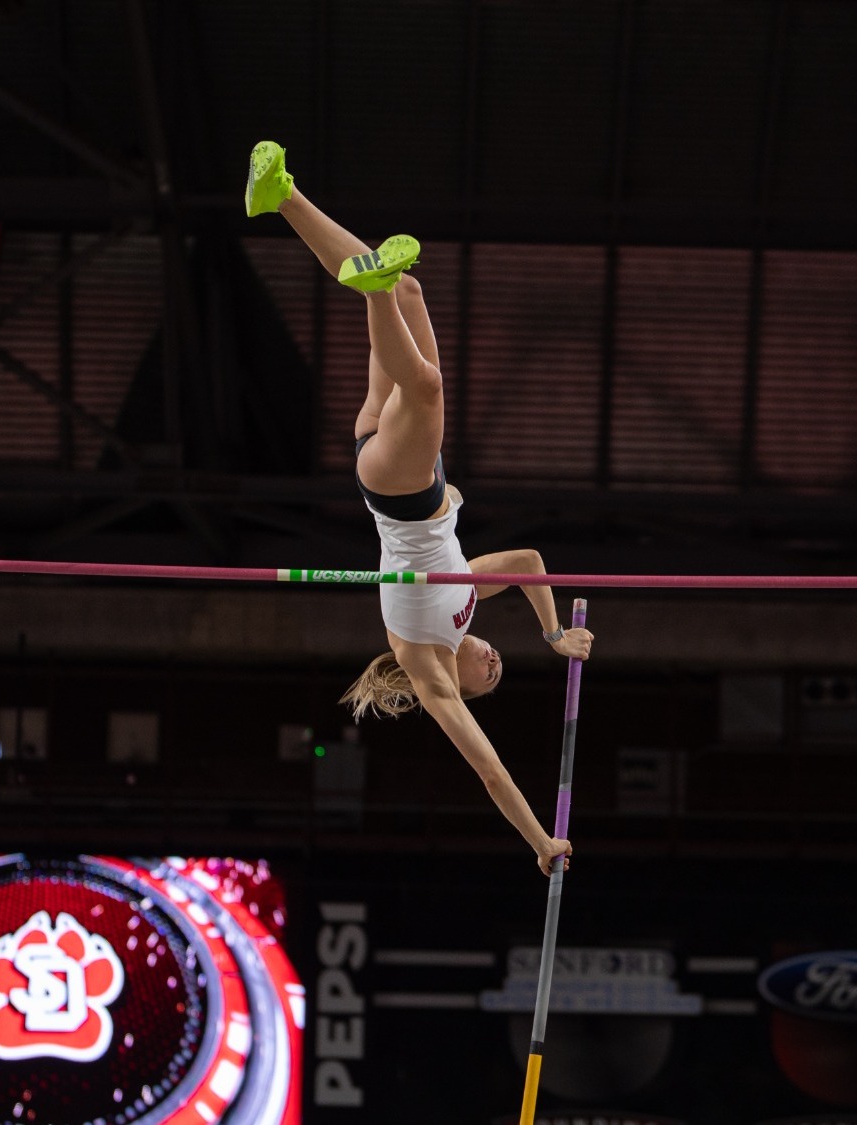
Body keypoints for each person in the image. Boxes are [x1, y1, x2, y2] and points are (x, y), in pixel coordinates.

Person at [245, 140, 594, 877]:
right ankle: (280, 197)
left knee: (427, 383)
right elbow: (530, 564)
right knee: (413, 297)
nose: (495, 666)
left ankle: (373, 289)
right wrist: (553, 634)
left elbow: (491, 771)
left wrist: (541, 842)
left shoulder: (426, 666)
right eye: (501, 669)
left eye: (489, 678)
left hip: (401, 490)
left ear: (460, 687)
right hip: (400, 462)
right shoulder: (469, 595)